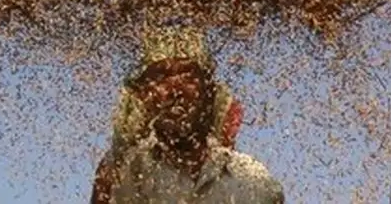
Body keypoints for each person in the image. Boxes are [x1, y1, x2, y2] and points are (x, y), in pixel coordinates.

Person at [90, 27, 285, 203]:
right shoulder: (127, 172)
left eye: (188, 75)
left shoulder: (253, 181)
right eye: (161, 77)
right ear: (144, 95)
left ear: (208, 90)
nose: (176, 89)